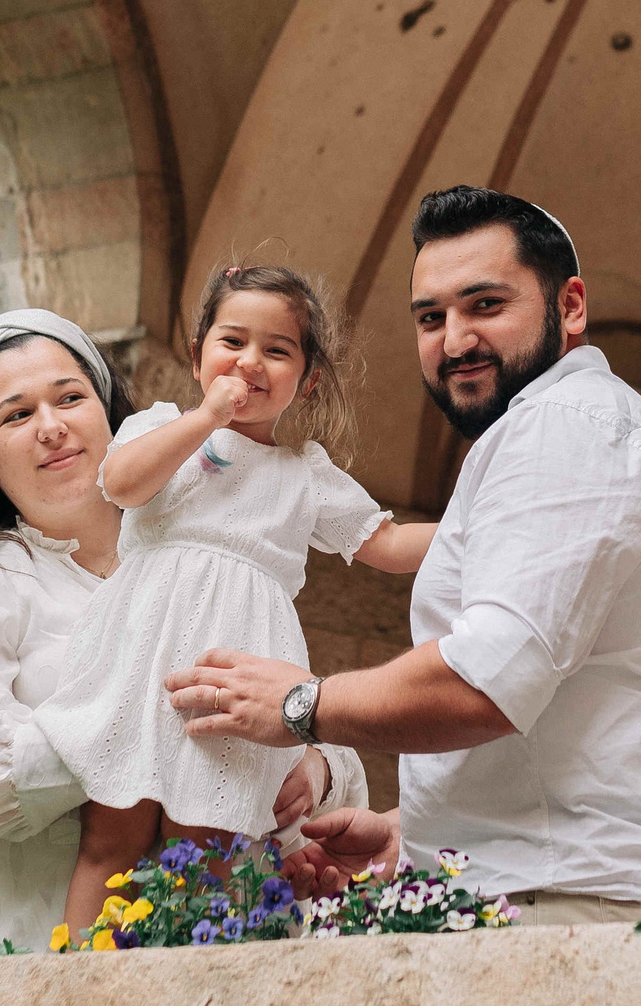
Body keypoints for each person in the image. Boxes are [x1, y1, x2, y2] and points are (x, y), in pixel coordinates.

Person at [163, 187, 641, 923]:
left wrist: (302, 705)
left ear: (571, 307)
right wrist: (414, 836)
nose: (455, 339)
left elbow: (486, 681)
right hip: (546, 888)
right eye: (432, 318)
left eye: (485, 306)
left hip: (579, 909)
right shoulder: (554, 430)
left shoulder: (564, 425)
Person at [0, 308, 368, 952]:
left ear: (115, 420)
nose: (52, 428)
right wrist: (121, 728)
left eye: (70, 398)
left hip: (224, 970)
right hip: (36, 974)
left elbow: (328, 769)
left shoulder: (221, 562)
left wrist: (312, 759)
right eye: (17, 415)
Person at [33, 267, 437, 942]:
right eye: (232, 342)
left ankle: (186, 989)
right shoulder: (165, 426)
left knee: (207, 843)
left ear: (306, 379)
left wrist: (489, 522)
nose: (250, 362)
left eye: (277, 350)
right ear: (197, 356)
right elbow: (122, 483)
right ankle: (72, 987)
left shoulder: (303, 471)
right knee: (111, 835)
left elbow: (388, 543)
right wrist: (206, 418)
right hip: (147, 660)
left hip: (233, 678)